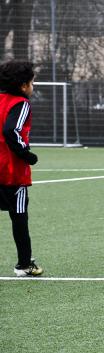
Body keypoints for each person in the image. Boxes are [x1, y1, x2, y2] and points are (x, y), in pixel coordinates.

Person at [0, 60, 43, 277]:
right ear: (24, 85)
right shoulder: (21, 103)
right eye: (33, 82)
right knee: (19, 217)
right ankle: (24, 264)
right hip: (11, 173)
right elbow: (11, 130)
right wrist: (26, 155)